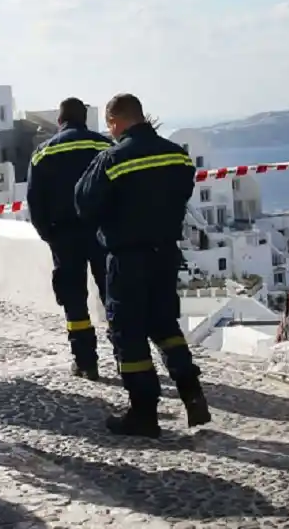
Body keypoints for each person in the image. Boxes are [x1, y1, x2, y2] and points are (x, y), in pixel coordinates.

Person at [75, 93, 212, 437]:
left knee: (128, 332)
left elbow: (85, 202)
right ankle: (191, 393)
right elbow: (181, 193)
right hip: (165, 254)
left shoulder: (112, 159)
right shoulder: (178, 156)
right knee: (165, 325)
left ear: (115, 121)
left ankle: (143, 412)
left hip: (128, 257)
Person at [26, 98, 114, 380]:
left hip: (64, 237)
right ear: (85, 118)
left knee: (74, 301)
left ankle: (86, 362)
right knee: (113, 295)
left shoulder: (43, 153)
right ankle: (127, 357)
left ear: (59, 121)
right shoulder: (106, 146)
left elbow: (35, 201)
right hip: (103, 233)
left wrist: (48, 235)